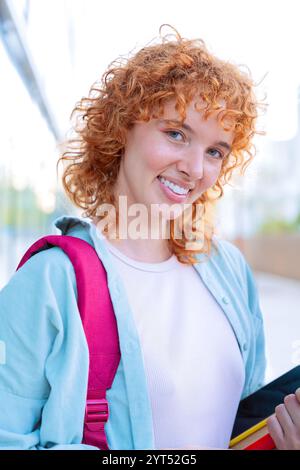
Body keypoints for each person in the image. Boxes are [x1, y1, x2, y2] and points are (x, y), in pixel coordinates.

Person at [0, 25, 299, 450]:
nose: (195, 169)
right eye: (176, 133)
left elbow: (236, 427)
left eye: (215, 151)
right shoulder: (50, 282)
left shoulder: (228, 269)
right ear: (122, 128)